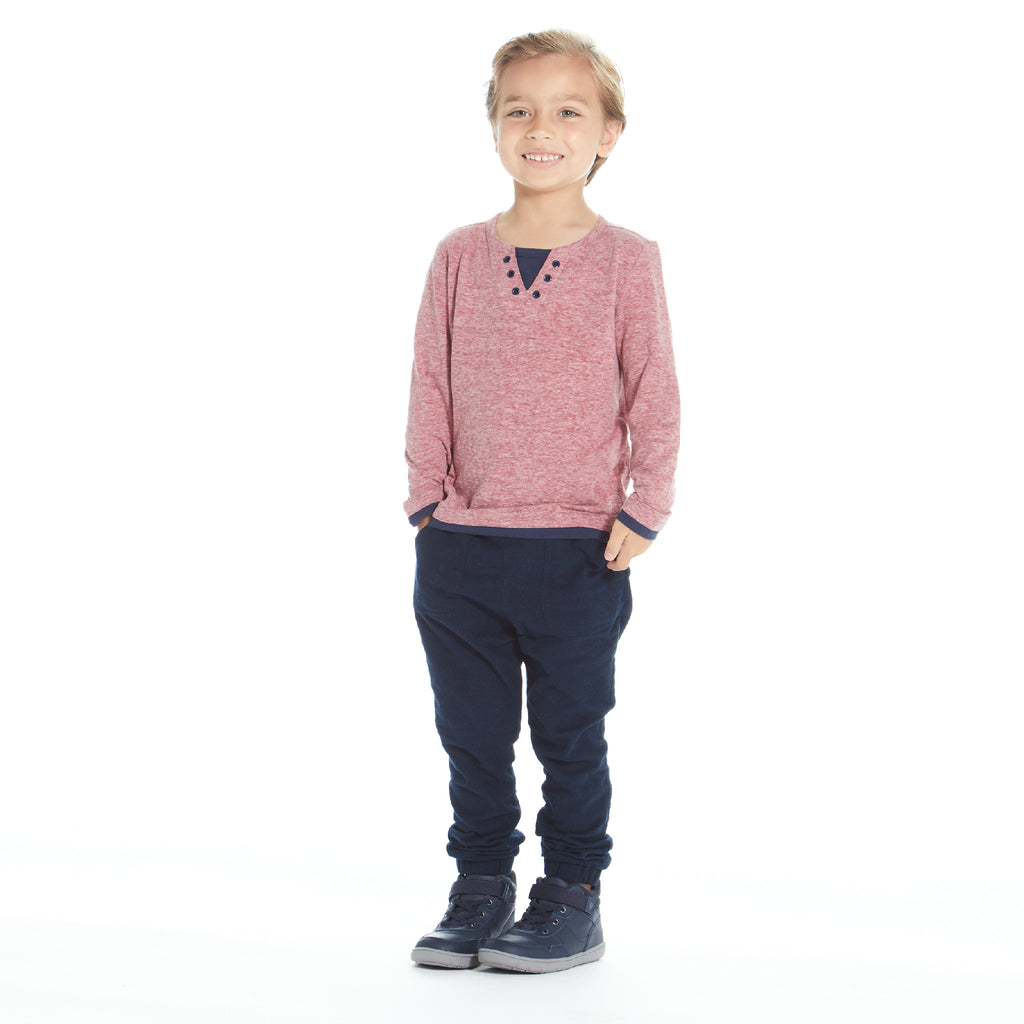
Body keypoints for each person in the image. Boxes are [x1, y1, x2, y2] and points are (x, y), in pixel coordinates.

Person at [404, 28, 680, 974]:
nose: (541, 128)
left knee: (570, 736)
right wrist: (425, 505)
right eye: (519, 109)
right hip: (461, 548)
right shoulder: (457, 255)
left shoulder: (628, 260)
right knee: (472, 738)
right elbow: (430, 382)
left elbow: (655, 390)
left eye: (568, 111)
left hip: (577, 550)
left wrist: (645, 507)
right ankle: (481, 885)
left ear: (608, 134)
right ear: (492, 126)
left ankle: (571, 896)